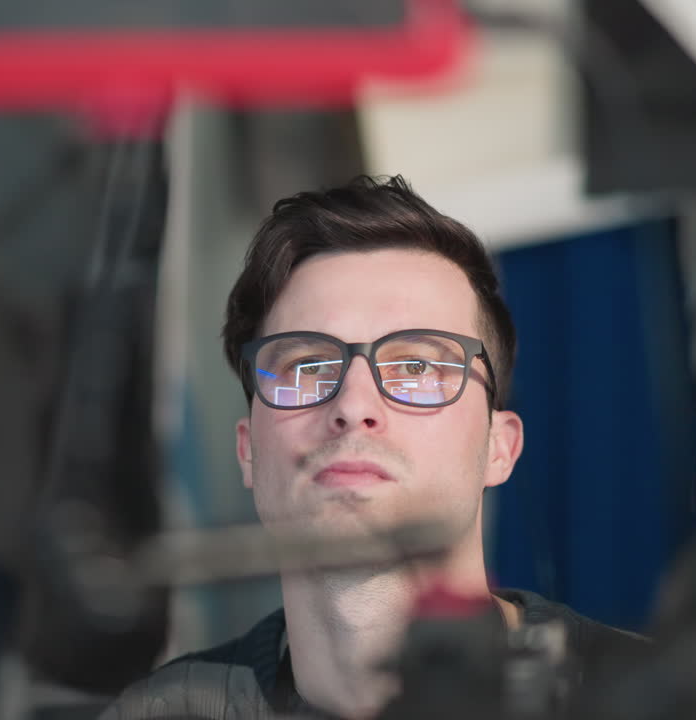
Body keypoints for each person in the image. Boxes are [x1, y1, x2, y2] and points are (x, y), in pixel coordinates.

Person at [101, 175, 644, 720]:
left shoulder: (652, 699)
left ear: (500, 447)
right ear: (248, 452)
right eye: (307, 367)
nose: (353, 405)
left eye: (415, 366)